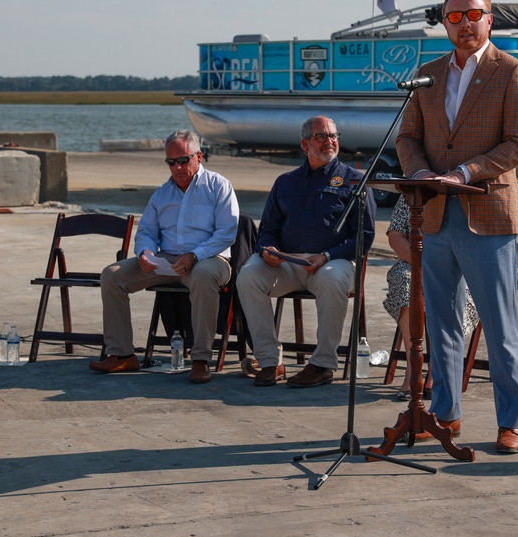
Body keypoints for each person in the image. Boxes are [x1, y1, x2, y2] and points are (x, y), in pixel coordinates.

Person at [394, 0, 518, 454]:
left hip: (487, 214)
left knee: (499, 324)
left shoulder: (513, 72)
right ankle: (447, 413)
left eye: (474, 15)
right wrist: (419, 173)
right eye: (454, 17)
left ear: (490, 19)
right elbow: (407, 137)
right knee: (442, 324)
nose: (465, 24)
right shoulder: (427, 76)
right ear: (445, 24)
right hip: (433, 214)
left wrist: (463, 172)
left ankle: (510, 421)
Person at [236, 115, 375, 388]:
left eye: (333, 136)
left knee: (333, 278)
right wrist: (267, 250)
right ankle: (269, 361)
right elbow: (267, 230)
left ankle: (322, 364)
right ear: (305, 143)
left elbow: (365, 236)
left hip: (333, 262)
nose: (329, 142)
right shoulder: (285, 182)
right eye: (321, 136)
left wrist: (327, 255)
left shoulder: (355, 181)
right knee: (248, 275)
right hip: (287, 264)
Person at [91, 129, 239, 384]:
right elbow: (147, 231)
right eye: (171, 162)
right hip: (167, 259)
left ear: (199, 157)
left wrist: (195, 255)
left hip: (209, 258)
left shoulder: (219, 186)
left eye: (183, 160)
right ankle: (122, 354)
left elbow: (227, 233)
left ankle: (201, 359)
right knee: (112, 276)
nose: (177, 167)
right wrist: (145, 253)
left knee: (203, 277)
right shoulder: (162, 193)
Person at [384, 195, 479, 407]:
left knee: (452, 290)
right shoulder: (415, 191)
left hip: (458, 266)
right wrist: (421, 261)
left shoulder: (463, 191)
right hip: (415, 263)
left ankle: (439, 368)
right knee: (407, 283)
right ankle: (413, 368)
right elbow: (395, 234)